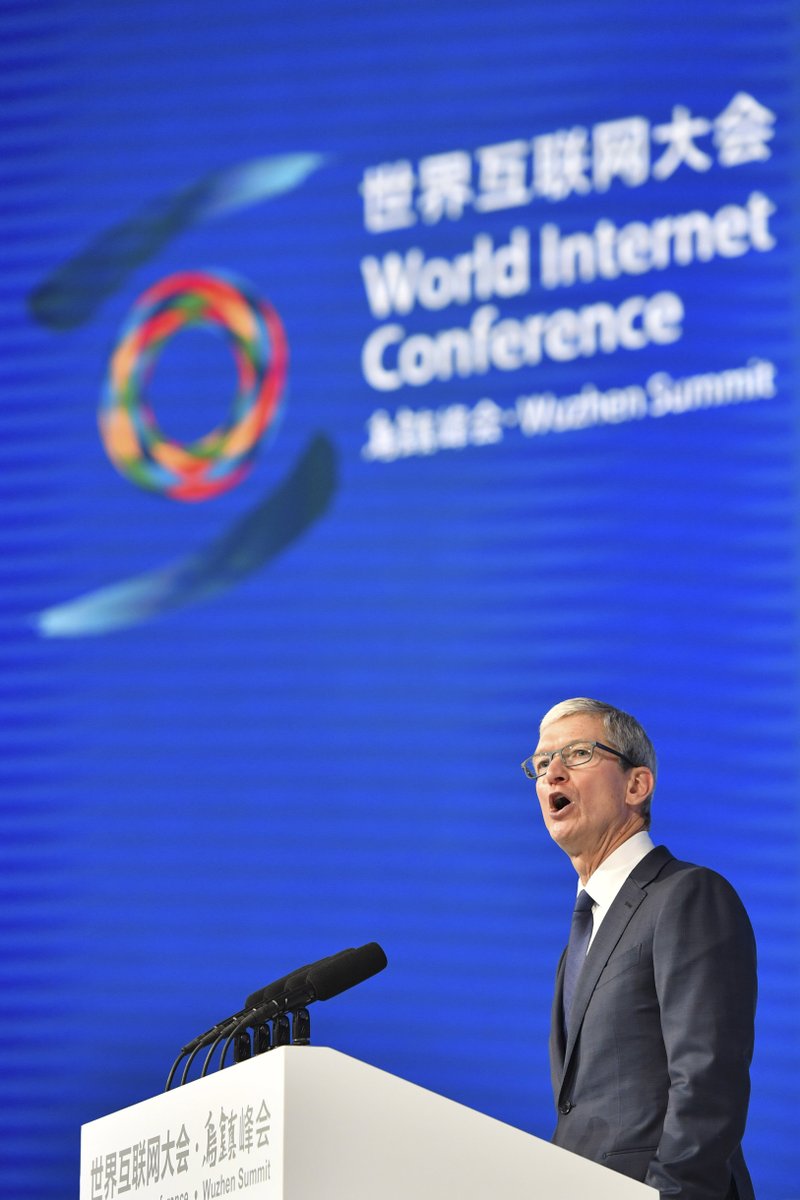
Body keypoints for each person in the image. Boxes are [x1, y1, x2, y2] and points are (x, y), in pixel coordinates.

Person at [523, 697, 756, 1200]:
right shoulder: (580, 941)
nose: (552, 774)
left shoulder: (687, 895)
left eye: (578, 754)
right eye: (542, 764)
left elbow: (707, 1080)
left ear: (637, 785)